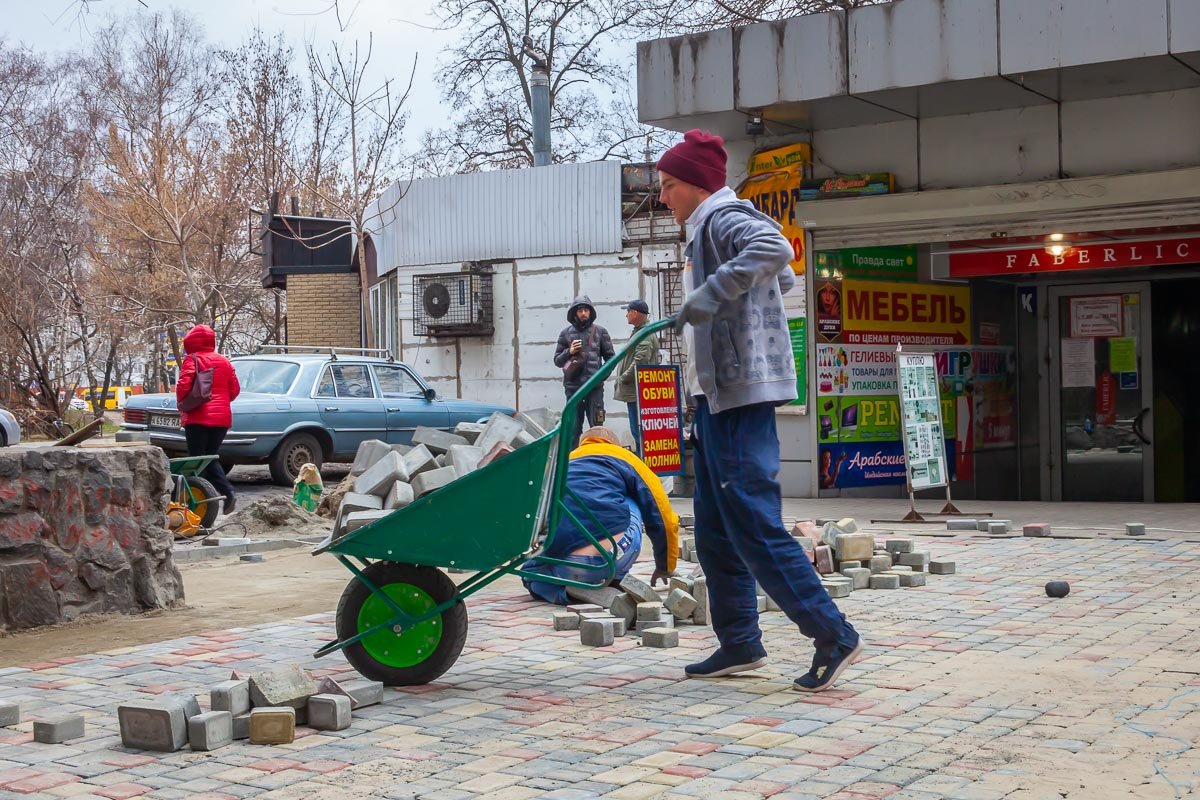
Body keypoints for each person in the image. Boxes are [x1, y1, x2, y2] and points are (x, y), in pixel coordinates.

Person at [658, 129, 863, 692]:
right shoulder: (704, 228)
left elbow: (777, 250)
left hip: (741, 398)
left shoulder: (724, 218)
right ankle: (740, 642)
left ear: (697, 184)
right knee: (719, 530)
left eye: (669, 184)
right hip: (716, 400)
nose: (662, 197)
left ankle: (833, 634)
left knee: (751, 522)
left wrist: (713, 291)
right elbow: (782, 275)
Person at [520, 427, 678, 605]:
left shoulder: (562, 463)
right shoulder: (625, 458)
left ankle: (566, 592)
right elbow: (662, 514)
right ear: (615, 444)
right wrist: (665, 566)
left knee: (533, 576)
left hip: (561, 565)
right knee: (632, 497)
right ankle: (614, 578)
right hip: (608, 558)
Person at [176, 324, 241, 514]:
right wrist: (220, 403)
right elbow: (235, 390)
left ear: (190, 342)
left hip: (198, 417)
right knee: (209, 457)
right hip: (221, 419)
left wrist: (183, 404)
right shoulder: (224, 361)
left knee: (198, 459)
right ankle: (213, 498)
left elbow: (183, 386)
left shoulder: (192, 359)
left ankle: (209, 499)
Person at [553, 295, 615, 448]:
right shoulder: (565, 333)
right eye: (580, 310)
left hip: (594, 389)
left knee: (597, 428)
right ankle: (573, 463)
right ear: (574, 313)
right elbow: (557, 361)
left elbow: (611, 358)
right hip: (573, 389)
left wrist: (600, 377)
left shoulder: (600, 332)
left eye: (586, 310)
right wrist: (569, 351)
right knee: (573, 429)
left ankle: (599, 459)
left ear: (590, 312)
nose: (583, 313)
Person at [613, 299, 660, 454]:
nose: (626, 315)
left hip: (638, 392)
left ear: (635, 313)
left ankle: (644, 463)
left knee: (639, 430)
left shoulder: (645, 334)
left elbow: (641, 361)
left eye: (628, 312)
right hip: (636, 391)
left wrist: (623, 378)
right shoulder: (640, 332)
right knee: (638, 430)